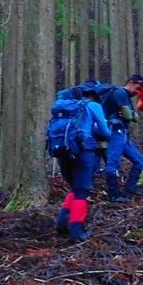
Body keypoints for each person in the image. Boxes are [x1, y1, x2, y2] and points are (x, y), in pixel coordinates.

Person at [54, 82, 111, 242]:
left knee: (74, 187)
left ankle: (62, 222)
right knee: (82, 191)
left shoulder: (62, 106)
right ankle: (77, 231)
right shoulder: (93, 106)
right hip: (84, 151)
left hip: (62, 151)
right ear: (92, 94)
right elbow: (105, 132)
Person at [102, 73, 143, 202]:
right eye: (137, 88)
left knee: (139, 161)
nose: (138, 91)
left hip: (123, 134)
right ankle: (114, 195)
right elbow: (128, 116)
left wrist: (130, 114)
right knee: (113, 163)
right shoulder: (119, 93)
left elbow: (135, 117)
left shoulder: (127, 98)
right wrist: (129, 114)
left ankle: (130, 188)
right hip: (115, 132)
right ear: (131, 82)